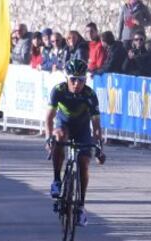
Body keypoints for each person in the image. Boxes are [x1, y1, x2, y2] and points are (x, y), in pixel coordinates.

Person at [45, 59, 105, 227]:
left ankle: (80, 207)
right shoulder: (58, 90)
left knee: (84, 163)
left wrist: (100, 148)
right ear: (66, 78)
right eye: (73, 79)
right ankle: (57, 180)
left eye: (81, 79)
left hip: (82, 129)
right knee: (59, 136)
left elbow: (97, 127)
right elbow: (49, 119)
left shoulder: (89, 95)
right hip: (64, 125)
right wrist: (49, 138)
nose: (77, 83)